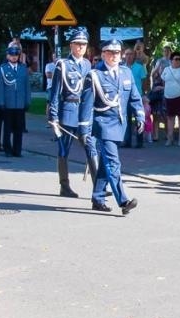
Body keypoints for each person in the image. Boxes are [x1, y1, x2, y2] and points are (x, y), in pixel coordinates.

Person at [86, 38, 144, 214]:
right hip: (103, 125)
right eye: (110, 53)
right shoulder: (95, 74)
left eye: (117, 53)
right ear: (103, 54)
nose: (114, 56)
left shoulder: (126, 73)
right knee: (113, 162)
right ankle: (123, 200)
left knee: (105, 163)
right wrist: (84, 128)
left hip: (120, 125)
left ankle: (98, 197)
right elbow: (87, 104)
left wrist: (140, 116)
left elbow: (135, 97)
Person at [46, 29, 93, 197]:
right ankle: (64, 185)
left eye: (84, 44)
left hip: (84, 113)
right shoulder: (63, 64)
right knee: (64, 149)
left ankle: (99, 187)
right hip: (67, 111)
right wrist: (53, 116)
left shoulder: (88, 64)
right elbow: (55, 92)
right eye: (78, 44)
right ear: (71, 45)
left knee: (91, 148)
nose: (81, 47)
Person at [0, 41, 31, 157]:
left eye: (16, 55)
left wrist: (27, 101)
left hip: (19, 103)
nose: (14, 57)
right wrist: (0, 102)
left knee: (18, 128)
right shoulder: (2, 69)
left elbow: (27, 87)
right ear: (7, 56)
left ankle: (17, 150)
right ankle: (7, 149)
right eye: (12, 55)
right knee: (7, 128)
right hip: (7, 103)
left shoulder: (23, 68)